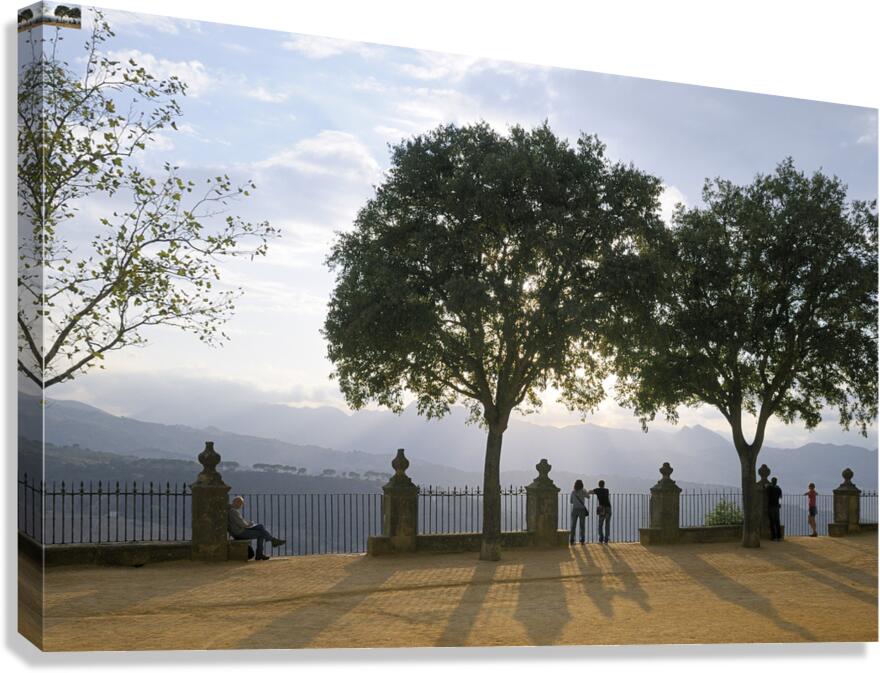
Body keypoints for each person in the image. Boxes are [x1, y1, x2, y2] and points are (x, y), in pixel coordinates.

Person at [228, 495, 286, 560]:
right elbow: (242, 524)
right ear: (236, 502)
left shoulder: (232, 510)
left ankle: (272, 541)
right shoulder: (233, 511)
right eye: (241, 504)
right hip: (239, 532)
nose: (241, 505)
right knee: (261, 534)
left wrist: (248, 524)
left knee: (260, 526)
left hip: (239, 530)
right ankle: (264, 549)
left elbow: (240, 523)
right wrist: (249, 524)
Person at [589, 479, 612, 544]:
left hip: (602, 508)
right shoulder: (607, 490)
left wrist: (586, 491)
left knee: (600, 524)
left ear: (599, 485)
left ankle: (601, 538)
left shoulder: (597, 490)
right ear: (604, 485)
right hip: (608, 508)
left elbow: (590, 492)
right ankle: (606, 539)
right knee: (607, 524)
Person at [569, 479, 590, 545]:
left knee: (573, 525)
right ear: (582, 485)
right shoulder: (583, 491)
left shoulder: (573, 492)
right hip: (582, 509)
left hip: (575, 509)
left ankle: (572, 540)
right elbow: (588, 497)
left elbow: (571, 501)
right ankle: (582, 540)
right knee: (582, 526)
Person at [766, 476, 783, 541]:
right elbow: (780, 496)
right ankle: (779, 536)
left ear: (771, 481)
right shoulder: (778, 488)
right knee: (777, 521)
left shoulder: (769, 487)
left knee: (772, 522)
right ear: (776, 482)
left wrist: (768, 485)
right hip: (777, 506)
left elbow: (765, 487)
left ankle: (773, 537)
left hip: (771, 506)